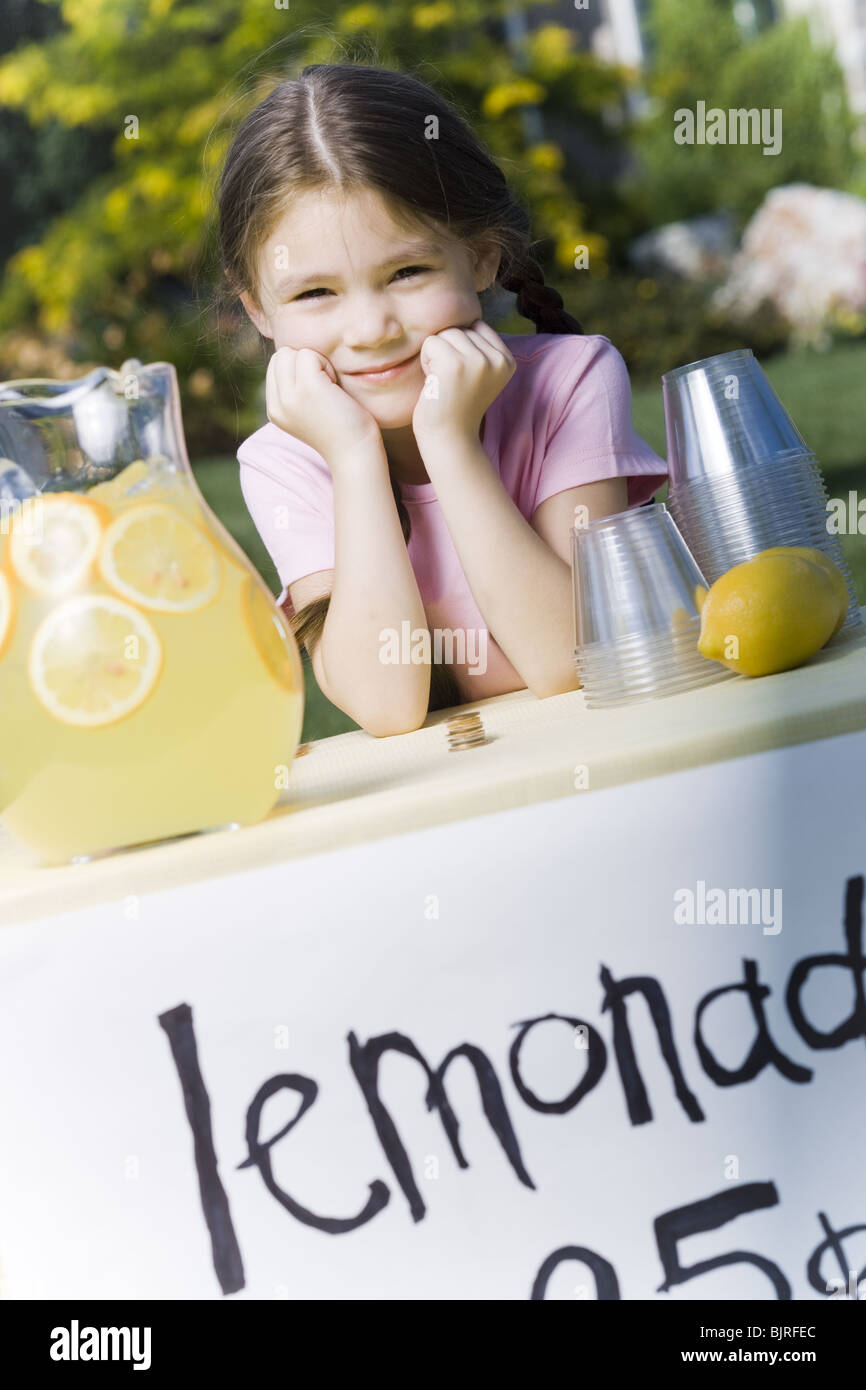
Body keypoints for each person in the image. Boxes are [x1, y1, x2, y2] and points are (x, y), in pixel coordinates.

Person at [220, 61, 668, 736]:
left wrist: (452, 445)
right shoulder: (285, 461)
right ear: (258, 310)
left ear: (482, 258)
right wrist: (353, 456)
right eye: (315, 293)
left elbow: (574, 661)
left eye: (407, 272)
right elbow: (387, 705)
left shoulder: (572, 379)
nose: (371, 330)